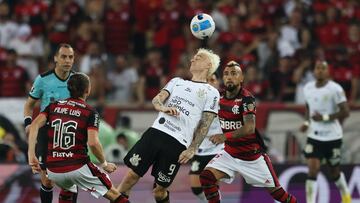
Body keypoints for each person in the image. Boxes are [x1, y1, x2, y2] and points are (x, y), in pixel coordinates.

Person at [117, 48, 221, 203]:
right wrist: (162, 107)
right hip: (156, 132)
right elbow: (156, 100)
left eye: (198, 57)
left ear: (208, 65)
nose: (192, 59)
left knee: (159, 191)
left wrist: (192, 148)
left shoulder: (211, 92)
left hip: (178, 143)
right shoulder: (176, 81)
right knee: (131, 176)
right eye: (193, 57)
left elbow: (205, 123)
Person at [200, 61, 297, 203]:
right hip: (230, 154)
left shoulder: (246, 98)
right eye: (226, 74)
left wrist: (224, 136)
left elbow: (249, 128)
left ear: (241, 78)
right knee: (206, 177)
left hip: (252, 158)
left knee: (279, 195)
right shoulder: (218, 98)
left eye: (234, 73)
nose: (229, 77)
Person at [27, 73, 130, 203]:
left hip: (53, 169)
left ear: (69, 89)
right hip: (77, 166)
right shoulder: (90, 112)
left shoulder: (53, 106)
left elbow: (34, 125)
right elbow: (93, 143)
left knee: (68, 189)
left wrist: (31, 154)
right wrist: (104, 164)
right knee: (115, 195)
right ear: (88, 90)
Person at [23, 43, 78, 203]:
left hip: (69, 134)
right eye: (63, 56)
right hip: (46, 133)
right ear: (55, 58)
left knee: (70, 181)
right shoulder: (43, 79)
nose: (67, 60)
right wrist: (28, 124)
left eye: (70, 57)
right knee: (47, 180)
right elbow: (29, 105)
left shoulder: (77, 81)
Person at [300, 61, 351, 203]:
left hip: (332, 136)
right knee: (312, 168)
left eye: (323, 68)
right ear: (314, 71)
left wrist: (325, 117)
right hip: (314, 135)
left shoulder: (335, 89)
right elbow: (308, 107)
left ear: (328, 71)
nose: (320, 71)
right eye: (317, 68)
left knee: (334, 172)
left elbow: (346, 111)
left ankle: (346, 195)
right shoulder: (308, 88)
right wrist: (306, 122)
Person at [189, 73, 223, 203]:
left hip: (217, 148)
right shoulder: (197, 100)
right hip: (201, 147)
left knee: (211, 184)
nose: (211, 82)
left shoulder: (224, 100)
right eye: (208, 80)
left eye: (213, 80)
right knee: (196, 188)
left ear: (218, 82)